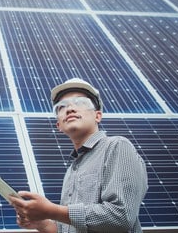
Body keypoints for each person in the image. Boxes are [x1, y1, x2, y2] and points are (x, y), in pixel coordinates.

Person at [10, 78, 148, 232]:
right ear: (59, 126)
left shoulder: (117, 146)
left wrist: (52, 211)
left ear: (98, 116)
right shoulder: (72, 170)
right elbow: (69, 228)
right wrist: (42, 224)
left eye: (81, 102)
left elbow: (121, 216)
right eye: (61, 107)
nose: (70, 109)